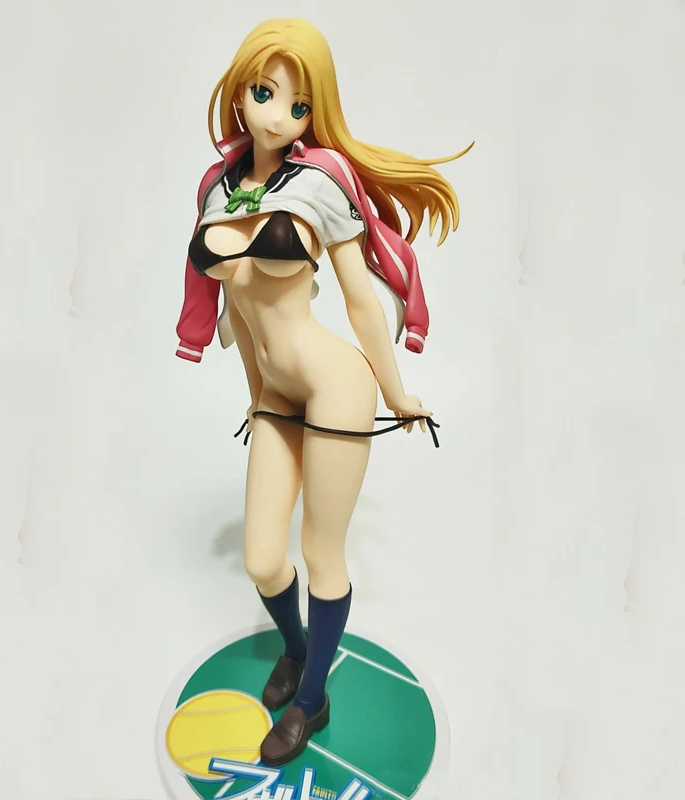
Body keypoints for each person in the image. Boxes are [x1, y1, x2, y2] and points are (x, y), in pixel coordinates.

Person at [175, 18, 470, 765]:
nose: (278, 116)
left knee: (320, 550)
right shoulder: (215, 187)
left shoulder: (322, 179)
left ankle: (312, 700)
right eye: (264, 93)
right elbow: (238, 309)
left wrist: (396, 391)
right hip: (275, 394)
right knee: (262, 559)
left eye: (298, 105)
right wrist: (255, 394)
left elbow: (360, 299)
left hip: (336, 385)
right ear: (239, 91)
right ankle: (301, 650)